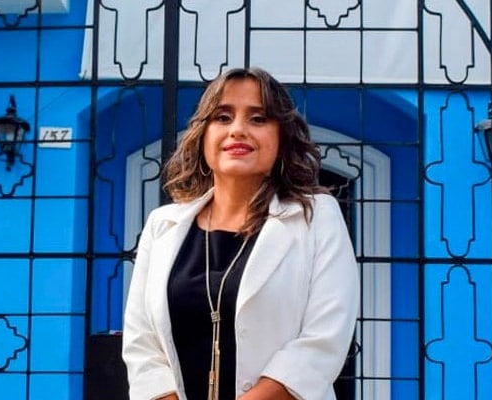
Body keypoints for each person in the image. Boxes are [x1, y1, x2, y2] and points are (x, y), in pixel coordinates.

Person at [122, 67, 359, 400]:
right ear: (203, 134)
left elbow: (322, 343)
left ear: (282, 138)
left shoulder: (316, 218)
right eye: (223, 117)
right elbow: (142, 346)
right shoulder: (162, 226)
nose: (238, 130)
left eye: (258, 119)